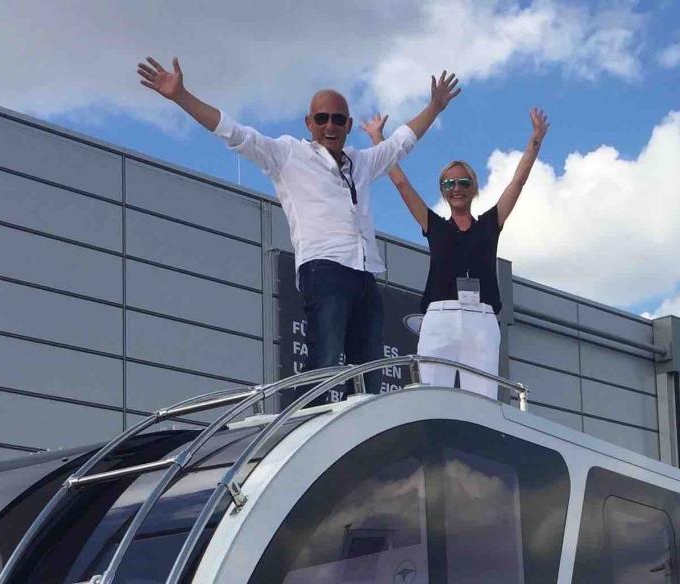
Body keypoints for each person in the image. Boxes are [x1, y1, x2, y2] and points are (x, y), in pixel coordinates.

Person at [137, 56, 461, 386]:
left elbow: (400, 142)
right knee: (324, 359)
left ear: (349, 125)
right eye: (322, 118)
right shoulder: (288, 155)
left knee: (369, 371)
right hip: (324, 268)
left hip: (364, 273)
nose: (330, 125)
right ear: (309, 122)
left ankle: (359, 415)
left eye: (338, 119)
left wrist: (435, 106)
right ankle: (307, 415)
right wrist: (182, 96)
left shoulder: (361, 163)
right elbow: (234, 133)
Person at [364, 107, 549, 396]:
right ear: (442, 190)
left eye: (463, 182)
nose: (456, 188)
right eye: (449, 183)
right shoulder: (434, 225)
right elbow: (401, 184)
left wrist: (536, 139)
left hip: (482, 318)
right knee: (432, 395)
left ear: (474, 187)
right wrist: (379, 139)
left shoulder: (490, 223)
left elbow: (518, 181)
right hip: (440, 317)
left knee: (482, 399)